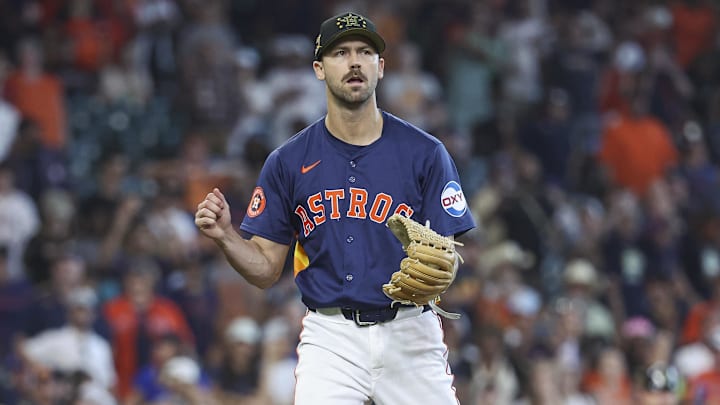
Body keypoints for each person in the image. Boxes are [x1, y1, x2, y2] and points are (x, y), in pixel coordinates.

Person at [195, 11, 476, 404]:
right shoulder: (288, 161)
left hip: (411, 333)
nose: (354, 62)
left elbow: (447, 253)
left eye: (364, 52)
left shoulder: (425, 153)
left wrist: (444, 272)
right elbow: (264, 270)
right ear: (319, 69)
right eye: (340, 53)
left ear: (381, 66)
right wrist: (225, 236)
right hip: (332, 337)